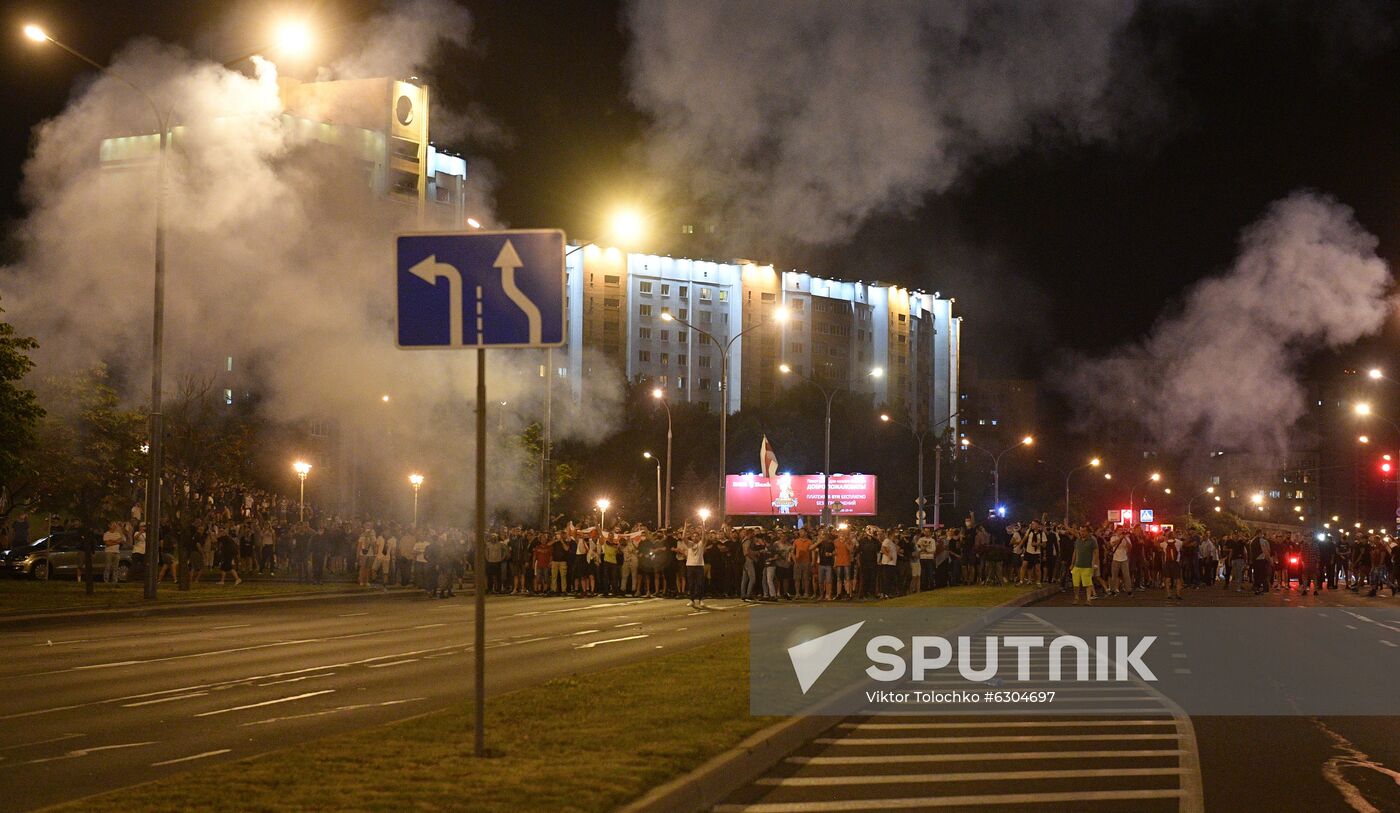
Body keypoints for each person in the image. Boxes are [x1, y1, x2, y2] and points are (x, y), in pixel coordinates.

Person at [1071, 526, 1098, 605]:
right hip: (1077, 565)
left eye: (1084, 531)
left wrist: (1093, 565)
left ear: (1087, 532)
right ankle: (1076, 598)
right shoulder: (1078, 541)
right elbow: (1075, 552)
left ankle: (1088, 599)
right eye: (1081, 531)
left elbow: (1095, 553)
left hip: (1087, 566)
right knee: (1075, 584)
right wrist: (1072, 563)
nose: (1082, 533)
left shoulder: (1092, 541)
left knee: (1087, 584)